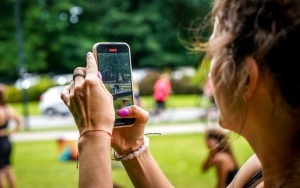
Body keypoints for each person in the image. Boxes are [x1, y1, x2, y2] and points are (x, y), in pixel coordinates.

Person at [61, 0, 300, 186]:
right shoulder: (264, 168)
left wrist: (92, 135)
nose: (208, 70)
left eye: (213, 53)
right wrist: (131, 148)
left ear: (247, 78)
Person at [0, 84, 22, 188]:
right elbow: (19, 121)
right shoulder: (7, 108)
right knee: (8, 168)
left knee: (1, 172)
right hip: (6, 142)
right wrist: (10, 132)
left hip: (0, 143)